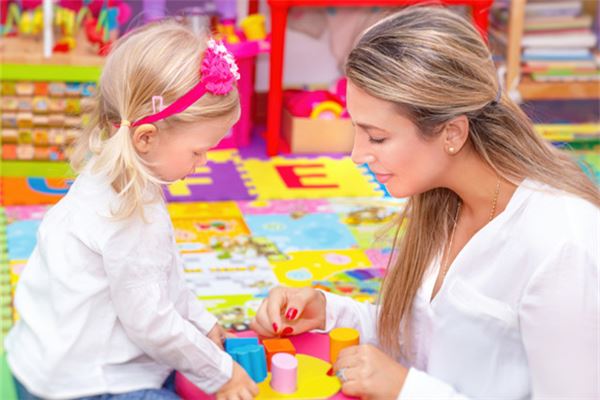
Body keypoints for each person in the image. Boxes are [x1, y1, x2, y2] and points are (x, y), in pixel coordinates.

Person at [251, 7, 600, 400]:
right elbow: (424, 336)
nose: (356, 155)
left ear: (452, 133)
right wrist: (328, 311)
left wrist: (406, 389)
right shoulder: (445, 199)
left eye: (377, 137)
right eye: (357, 131)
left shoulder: (563, 244)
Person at [5, 21, 259, 400]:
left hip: (41, 362)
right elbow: (152, 325)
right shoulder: (129, 216)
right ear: (146, 138)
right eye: (198, 151)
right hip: (84, 386)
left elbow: (161, 280)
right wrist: (222, 374)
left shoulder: (111, 175)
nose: (204, 162)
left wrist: (202, 323)